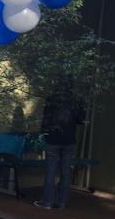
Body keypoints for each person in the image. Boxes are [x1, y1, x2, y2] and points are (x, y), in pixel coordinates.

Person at [35, 78, 85, 210]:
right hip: (69, 140)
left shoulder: (52, 99)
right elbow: (81, 119)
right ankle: (61, 202)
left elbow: (46, 119)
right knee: (66, 171)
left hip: (53, 139)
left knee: (50, 170)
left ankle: (47, 202)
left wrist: (44, 134)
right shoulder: (76, 100)